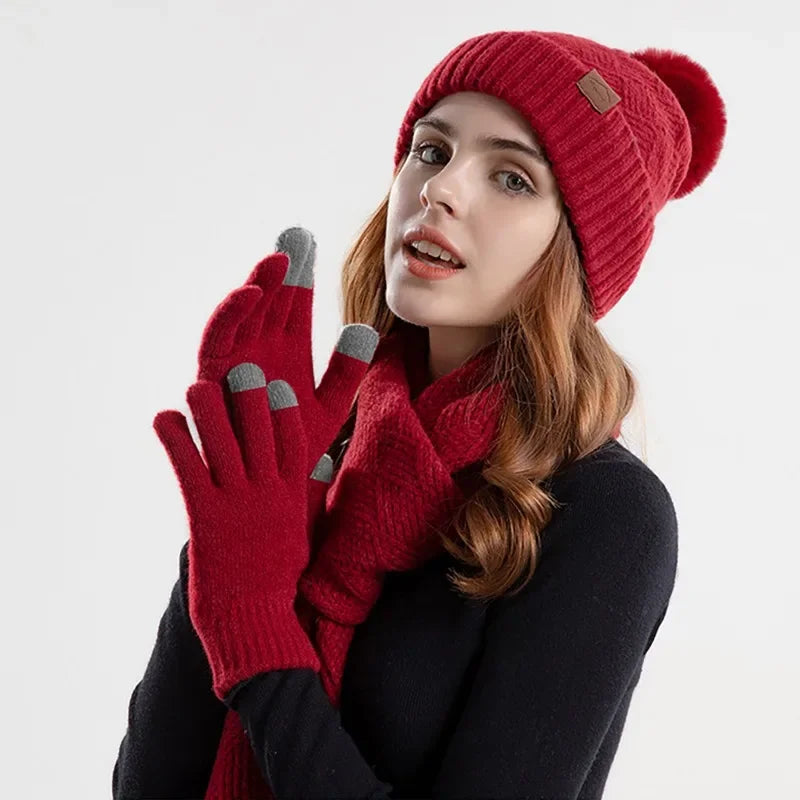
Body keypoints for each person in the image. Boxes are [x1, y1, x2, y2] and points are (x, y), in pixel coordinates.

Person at [112, 29, 727, 800]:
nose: (441, 189)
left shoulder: (606, 513)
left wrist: (259, 633)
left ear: (578, 251)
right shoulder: (327, 444)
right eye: (432, 151)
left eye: (512, 178)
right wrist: (229, 537)